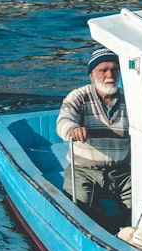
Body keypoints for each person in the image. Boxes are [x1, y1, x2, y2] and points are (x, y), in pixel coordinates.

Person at [56, 47, 131, 229]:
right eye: (103, 70)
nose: (109, 75)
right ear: (92, 75)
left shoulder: (130, 98)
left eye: (114, 69)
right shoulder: (79, 96)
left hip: (121, 172)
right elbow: (64, 120)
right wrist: (73, 128)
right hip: (84, 169)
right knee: (79, 204)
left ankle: (132, 239)